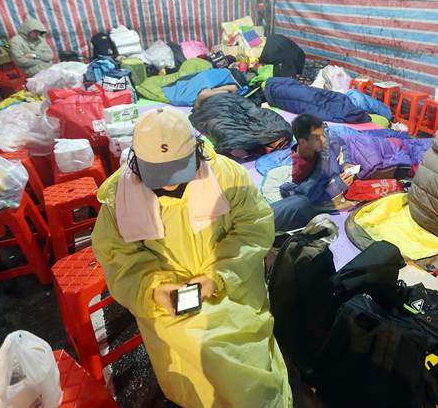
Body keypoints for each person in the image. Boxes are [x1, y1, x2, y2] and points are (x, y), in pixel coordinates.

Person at [91, 108, 291, 408]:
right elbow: (118, 257)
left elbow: (254, 228)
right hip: (166, 299)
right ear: (137, 162)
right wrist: (153, 289)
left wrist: (217, 275)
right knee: (191, 359)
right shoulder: (119, 196)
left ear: (197, 150)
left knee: (243, 361)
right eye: (158, 175)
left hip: (231, 285)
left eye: (178, 169)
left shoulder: (227, 176)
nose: (170, 184)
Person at [280, 113, 356, 205]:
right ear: (303, 142)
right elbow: (306, 198)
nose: (324, 140)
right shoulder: (300, 170)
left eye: (323, 135)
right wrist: (338, 185)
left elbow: (341, 146)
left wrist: (346, 164)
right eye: (317, 138)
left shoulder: (326, 135)